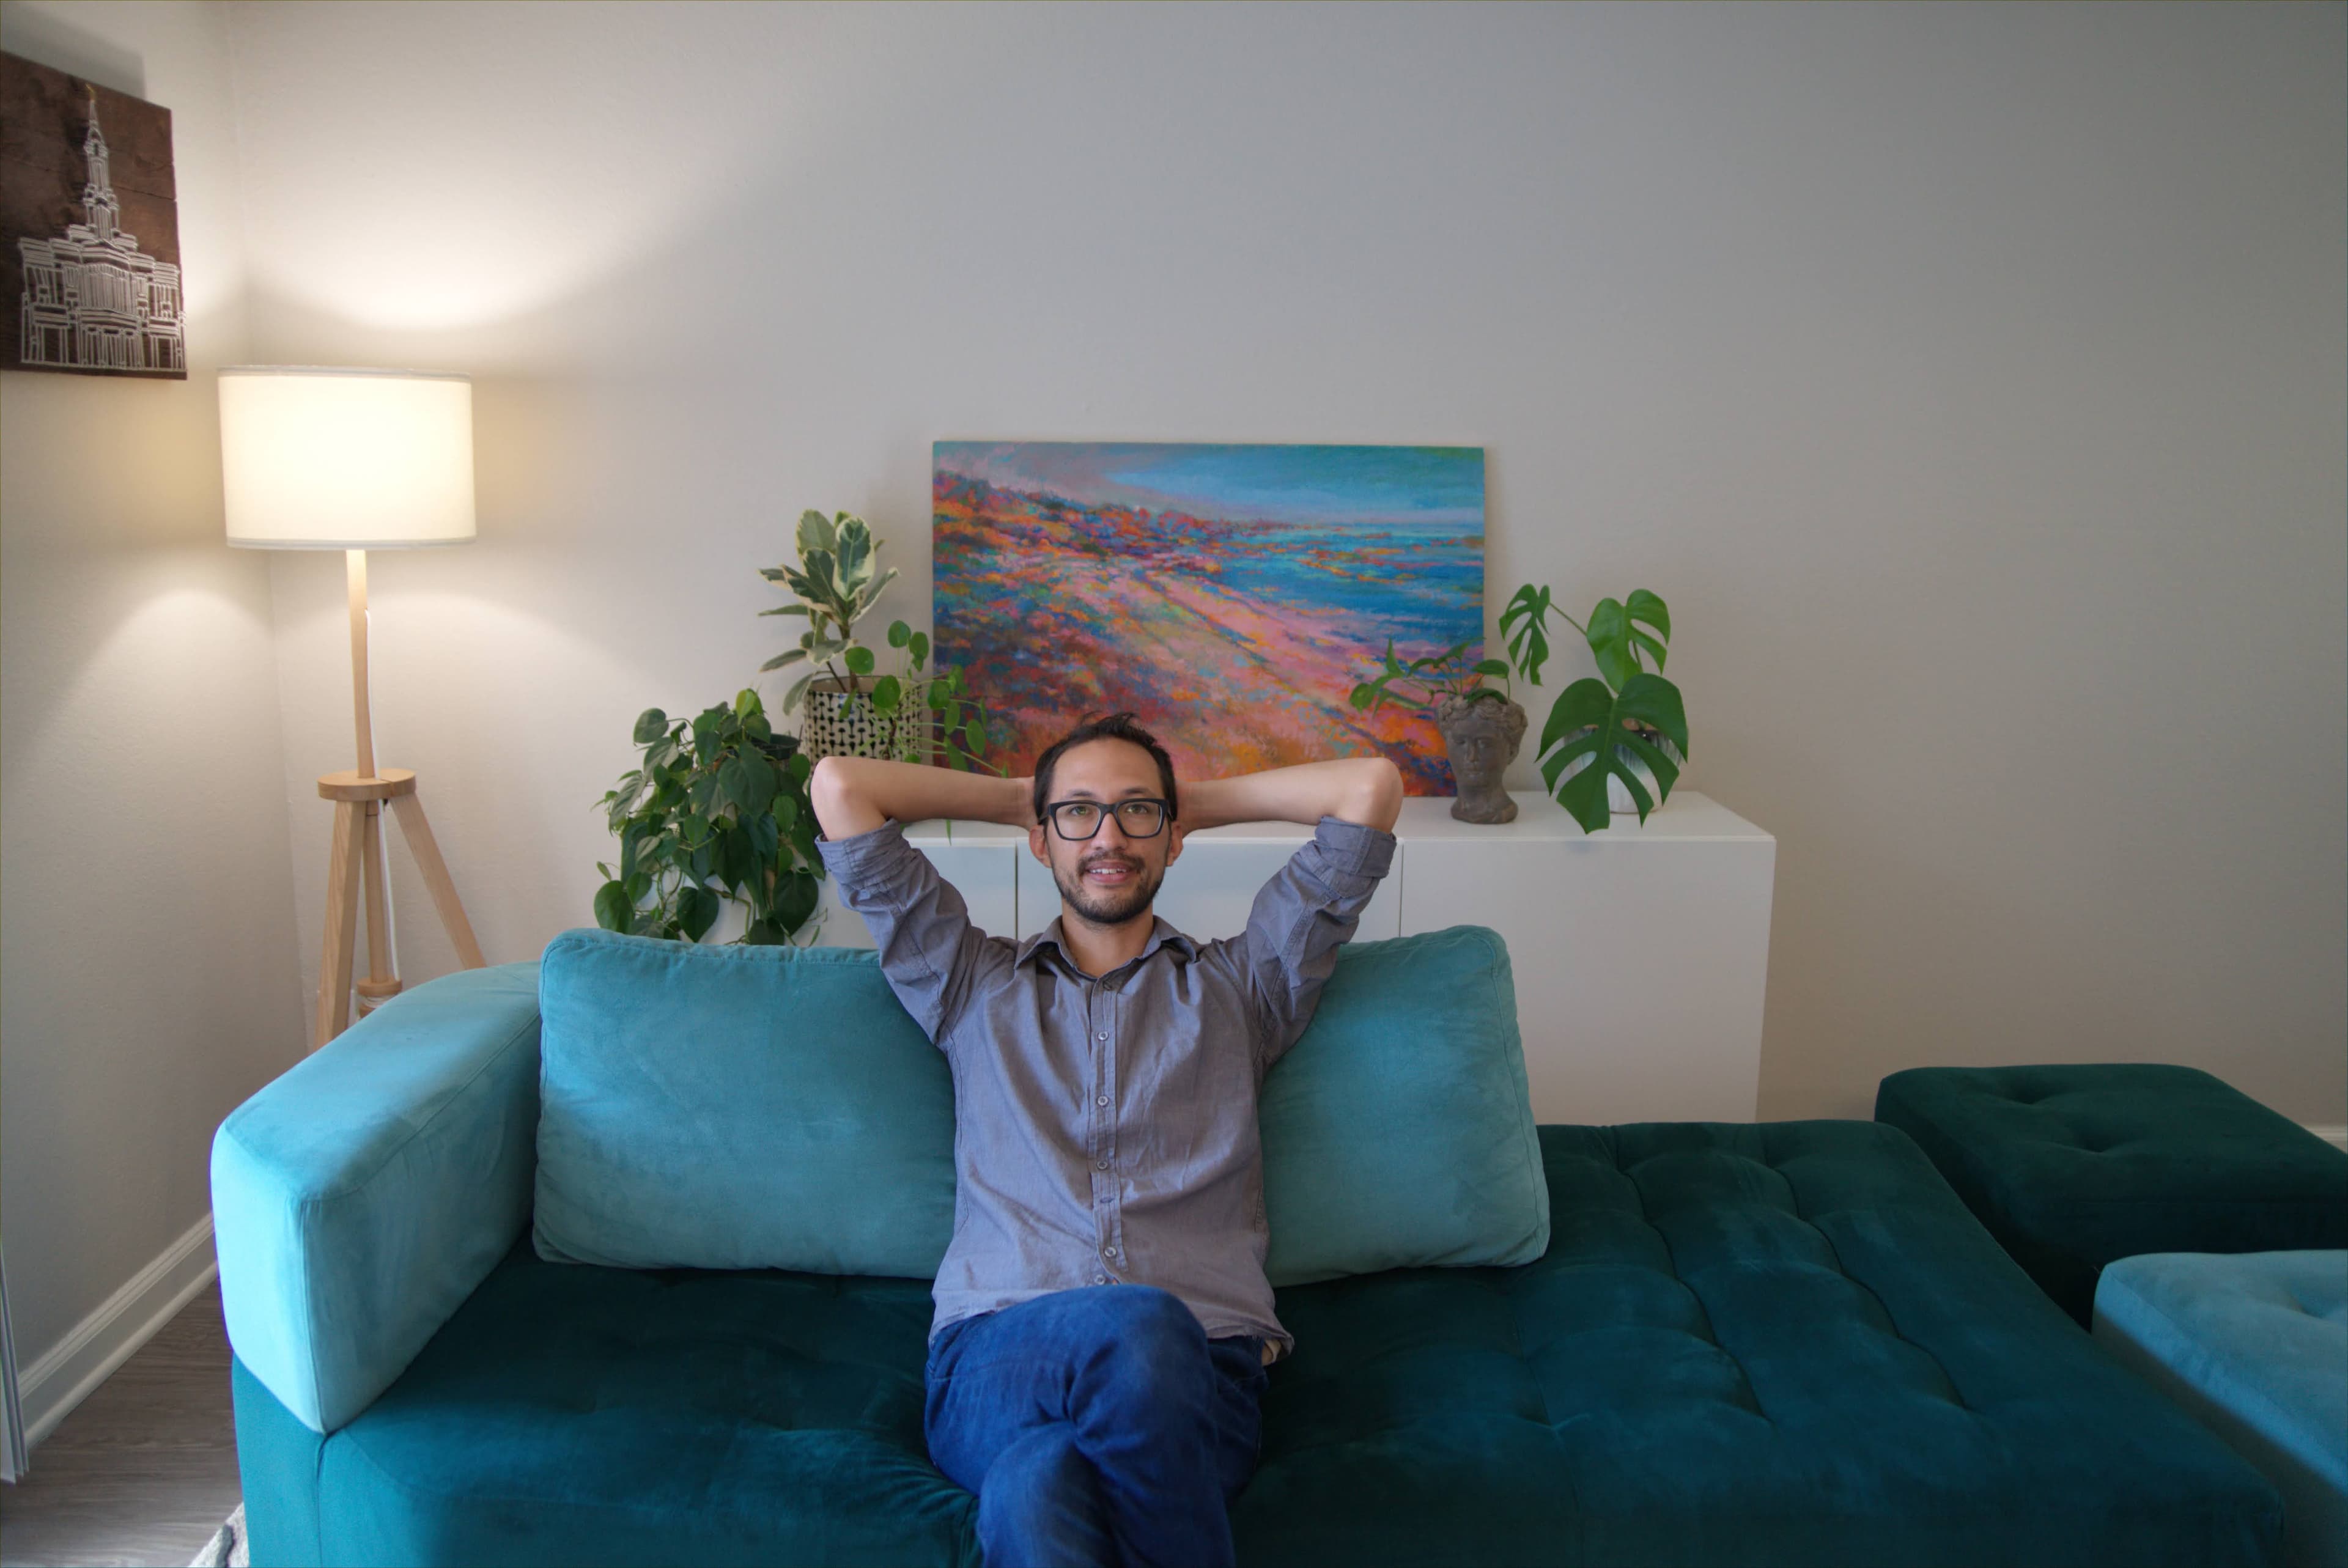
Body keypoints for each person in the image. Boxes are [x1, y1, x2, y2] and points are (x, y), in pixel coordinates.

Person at [809, 712, 1403, 1568]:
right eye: (1078, 814)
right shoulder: (968, 984)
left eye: (1137, 813)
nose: (1109, 835)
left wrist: (1184, 800)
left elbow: (1369, 789)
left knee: (1037, 1485)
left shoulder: (1245, 988)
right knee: (1134, 1326)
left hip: (1203, 1374)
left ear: (1173, 840)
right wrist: (1027, 796)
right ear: (1041, 842)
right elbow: (840, 787)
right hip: (997, 1361)